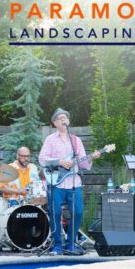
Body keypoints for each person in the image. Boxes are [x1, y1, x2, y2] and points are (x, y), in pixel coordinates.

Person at [39, 108, 102, 255]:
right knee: (55, 213)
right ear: (55, 123)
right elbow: (42, 159)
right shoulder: (50, 140)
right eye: (60, 118)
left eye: (65, 118)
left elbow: (83, 163)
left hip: (74, 182)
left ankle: (71, 243)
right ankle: (57, 245)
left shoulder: (76, 140)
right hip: (56, 182)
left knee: (78, 211)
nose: (63, 120)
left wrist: (91, 157)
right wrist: (60, 161)